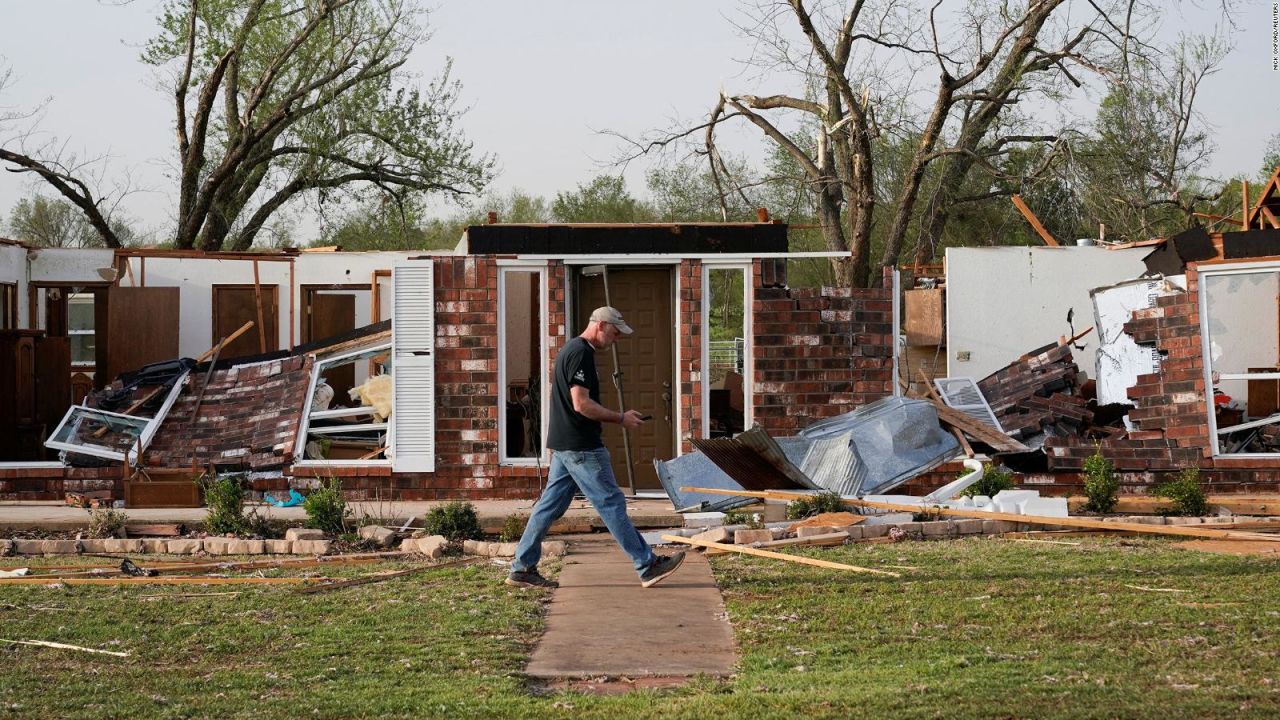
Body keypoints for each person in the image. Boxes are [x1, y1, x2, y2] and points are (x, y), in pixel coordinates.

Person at [506, 306, 685, 589]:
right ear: (600, 325)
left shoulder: (570, 350)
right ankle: (647, 564)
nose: (616, 340)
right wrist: (620, 418)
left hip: (565, 446)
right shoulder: (581, 353)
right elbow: (581, 404)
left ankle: (522, 568)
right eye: (615, 333)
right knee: (611, 504)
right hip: (582, 447)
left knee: (548, 507)